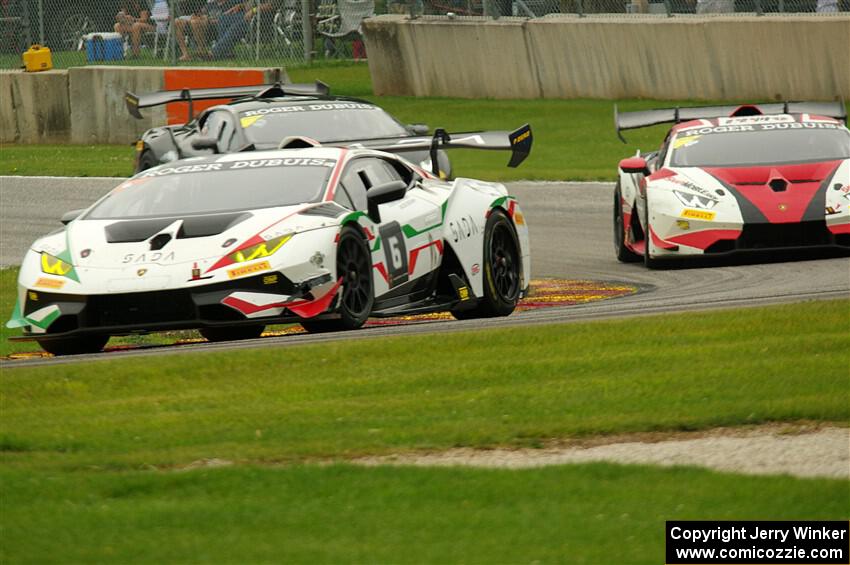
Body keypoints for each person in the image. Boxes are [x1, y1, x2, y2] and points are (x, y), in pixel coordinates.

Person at [211, 0, 278, 59]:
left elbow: (272, 5)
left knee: (235, 27)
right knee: (223, 19)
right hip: (247, 15)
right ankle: (226, 53)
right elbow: (249, 5)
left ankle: (214, 53)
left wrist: (253, 10)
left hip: (263, 18)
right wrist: (240, 6)